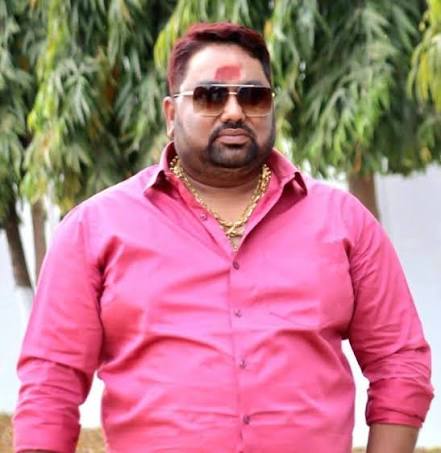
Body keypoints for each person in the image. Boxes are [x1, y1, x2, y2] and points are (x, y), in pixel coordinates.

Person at [14, 22, 433, 453]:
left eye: (253, 96)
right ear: (171, 114)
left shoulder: (344, 222)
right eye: (210, 96)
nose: (234, 112)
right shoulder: (96, 227)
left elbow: (399, 361)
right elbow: (51, 382)